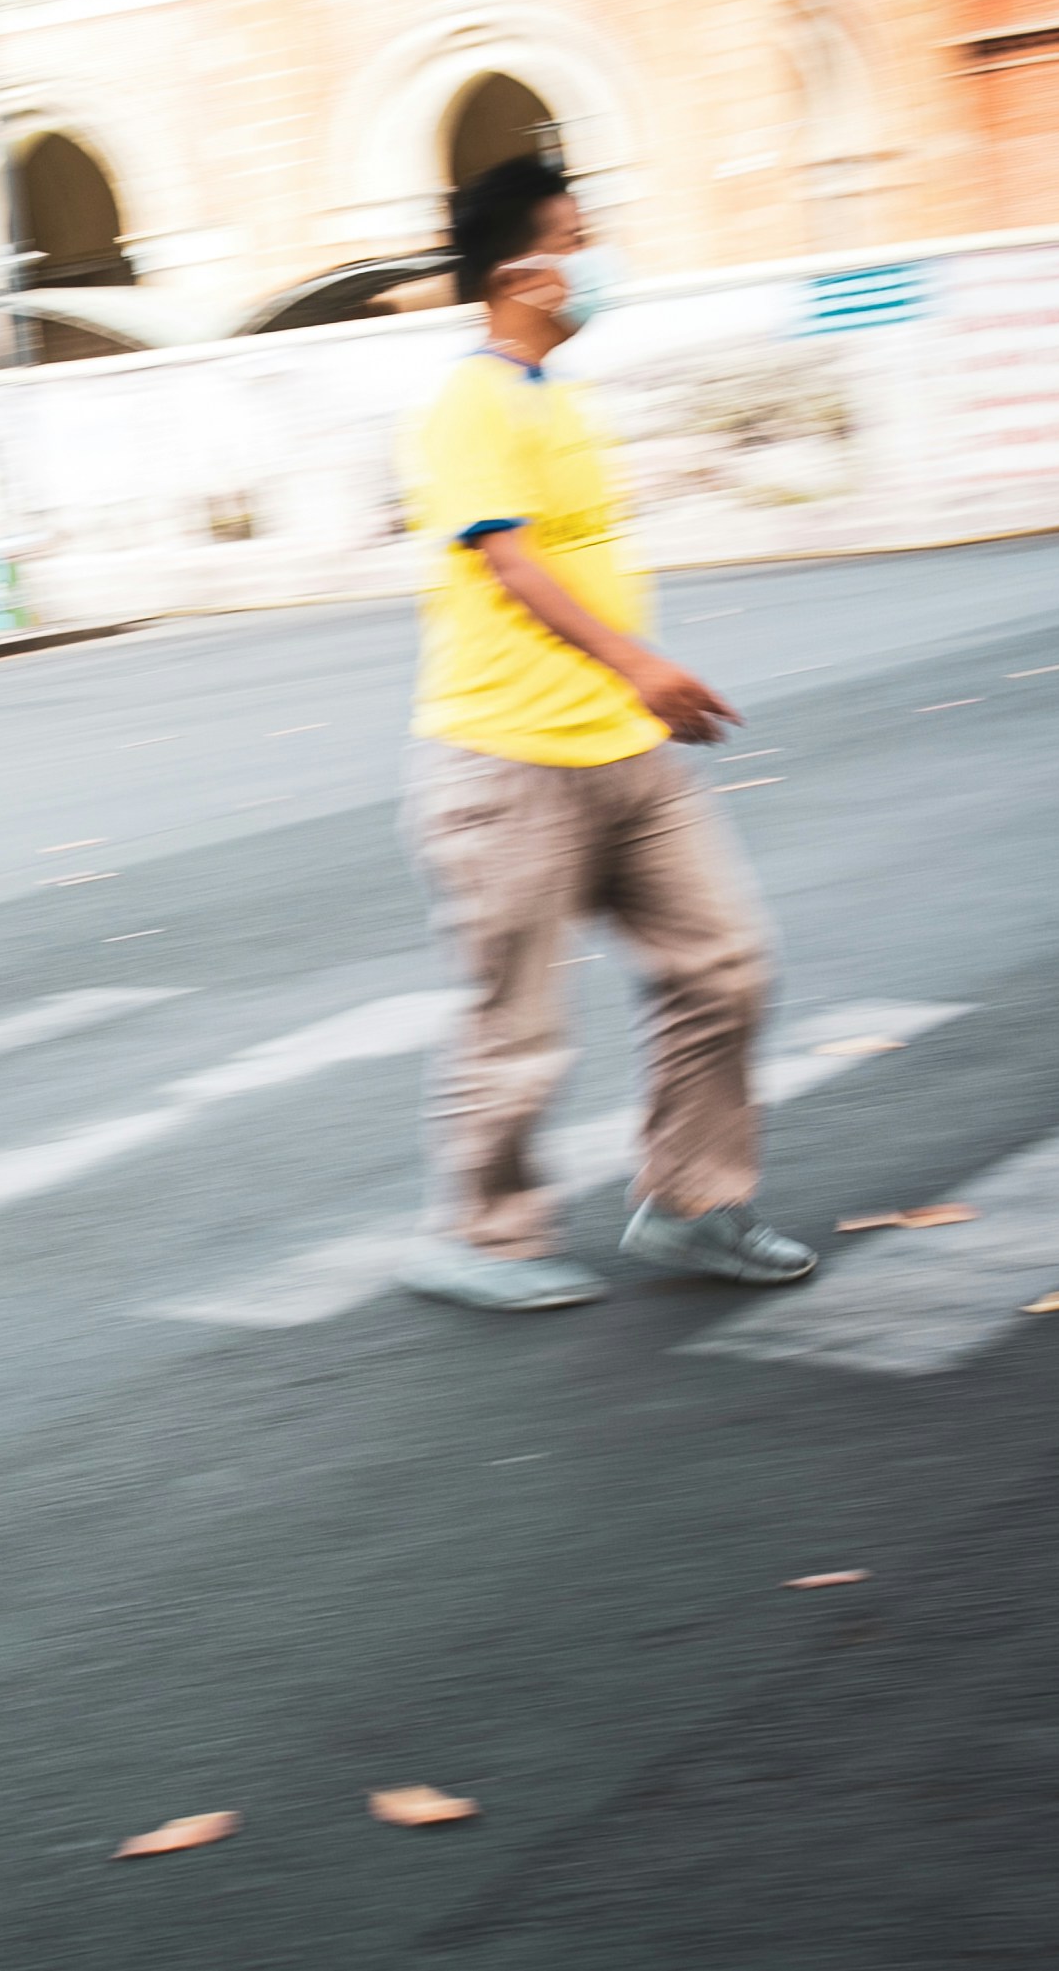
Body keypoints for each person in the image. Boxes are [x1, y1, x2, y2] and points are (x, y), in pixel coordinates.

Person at [393, 155, 817, 1311]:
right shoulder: (467, 400)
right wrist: (641, 663)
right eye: (576, 239)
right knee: (516, 1024)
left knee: (722, 962)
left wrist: (633, 689)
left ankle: (688, 1203)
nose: (595, 260)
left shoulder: (555, 396)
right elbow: (510, 559)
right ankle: (476, 1234)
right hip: (502, 760)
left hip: (621, 751)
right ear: (522, 270)